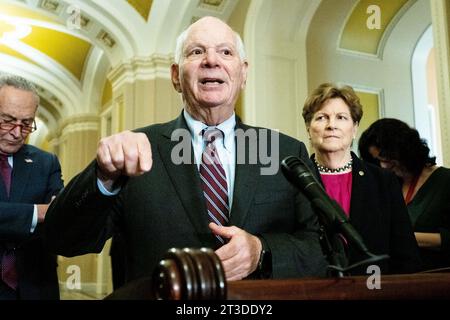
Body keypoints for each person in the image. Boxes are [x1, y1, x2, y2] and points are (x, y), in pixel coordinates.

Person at [44, 16, 327, 287]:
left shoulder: (284, 152)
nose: (211, 60)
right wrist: (102, 177)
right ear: (176, 76)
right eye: (196, 51)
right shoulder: (136, 151)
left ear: (243, 74)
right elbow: (63, 238)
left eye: (225, 52)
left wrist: (262, 251)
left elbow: (323, 249)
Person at [302, 83, 421, 275]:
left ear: (355, 128)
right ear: (309, 128)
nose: (331, 125)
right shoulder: (292, 181)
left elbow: (406, 254)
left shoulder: (384, 181)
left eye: (341, 117)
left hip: (375, 291)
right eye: (322, 117)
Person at [0, 75, 63, 300]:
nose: (17, 133)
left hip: (35, 288)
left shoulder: (47, 163)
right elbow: (48, 212)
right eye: (8, 120)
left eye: (26, 124)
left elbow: (60, 217)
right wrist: (39, 212)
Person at [359, 118, 450, 270]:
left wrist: (401, 238)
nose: (384, 166)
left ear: (406, 150)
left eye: (388, 159)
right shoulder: (389, 186)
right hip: (397, 279)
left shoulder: (445, 181)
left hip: (436, 279)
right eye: (378, 161)